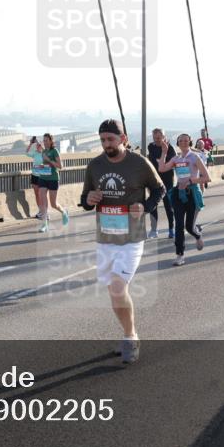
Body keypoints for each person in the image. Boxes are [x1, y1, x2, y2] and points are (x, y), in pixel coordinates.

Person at [80, 119, 164, 364]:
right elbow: (85, 199)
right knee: (114, 292)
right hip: (105, 238)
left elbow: (159, 189)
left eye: (111, 139)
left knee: (118, 286)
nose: (107, 144)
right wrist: (90, 199)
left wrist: (145, 206)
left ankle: (130, 336)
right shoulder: (95, 166)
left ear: (123, 138)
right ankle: (128, 333)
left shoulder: (139, 163)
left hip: (132, 237)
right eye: (103, 140)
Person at [158, 133, 209, 266]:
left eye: (187, 140)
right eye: (181, 141)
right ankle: (179, 255)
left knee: (189, 226)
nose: (184, 143)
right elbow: (161, 168)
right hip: (179, 194)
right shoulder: (176, 158)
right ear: (178, 143)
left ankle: (197, 235)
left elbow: (206, 177)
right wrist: (164, 152)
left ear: (190, 142)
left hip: (192, 194)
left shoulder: (195, 157)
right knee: (179, 225)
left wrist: (192, 180)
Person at [146, 128, 176, 239]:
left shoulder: (170, 148)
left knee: (169, 205)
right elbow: (154, 162)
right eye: (154, 138)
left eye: (159, 138)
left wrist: (161, 160)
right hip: (155, 180)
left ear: (164, 137)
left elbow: (170, 163)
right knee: (153, 205)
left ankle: (171, 229)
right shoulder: (151, 147)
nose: (157, 140)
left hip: (168, 180)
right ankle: (154, 230)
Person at [36, 133, 68, 233]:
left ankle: (63, 212)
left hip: (53, 178)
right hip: (43, 177)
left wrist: (49, 160)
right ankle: (44, 225)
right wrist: (42, 165)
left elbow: (60, 166)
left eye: (46, 140)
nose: (44, 142)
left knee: (53, 204)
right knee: (43, 202)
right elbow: (45, 164)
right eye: (43, 140)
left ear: (50, 141)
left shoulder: (55, 151)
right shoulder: (44, 151)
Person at [26, 136, 47, 221]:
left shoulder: (45, 153)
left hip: (42, 175)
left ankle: (45, 212)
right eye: (37, 145)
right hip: (35, 175)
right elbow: (26, 153)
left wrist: (40, 145)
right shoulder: (35, 153)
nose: (38, 146)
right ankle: (40, 211)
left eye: (39, 145)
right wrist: (31, 143)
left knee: (43, 195)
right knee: (37, 194)